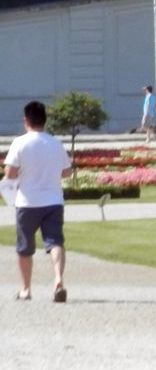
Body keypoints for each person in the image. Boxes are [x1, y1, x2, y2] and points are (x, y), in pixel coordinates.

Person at [6, 100, 73, 303]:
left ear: (26, 121)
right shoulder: (55, 143)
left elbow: (10, 172)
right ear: (45, 121)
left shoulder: (20, 142)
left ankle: (26, 289)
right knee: (55, 242)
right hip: (53, 200)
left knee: (25, 247)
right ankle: (58, 280)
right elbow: (67, 172)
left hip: (27, 202)